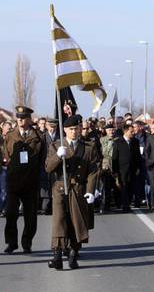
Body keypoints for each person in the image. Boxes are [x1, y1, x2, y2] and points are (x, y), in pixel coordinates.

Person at [46, 115, 99, 270]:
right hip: (60, 187)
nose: (74, 132)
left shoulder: (89, 146)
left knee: (76, 222)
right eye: (71, 129)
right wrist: (57, 156)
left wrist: (90, 190)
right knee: (59, 221)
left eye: (77, 128)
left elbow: (93, 170)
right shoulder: (56, 146)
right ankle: (57, 255)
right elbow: (48, 168)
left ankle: (73, 253)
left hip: (78, 188)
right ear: (64, 130)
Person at [3, 106, 45, 254]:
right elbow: (7, 156)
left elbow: (42, 158)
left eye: (23, 117)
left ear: (29, 119)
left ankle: (27, 242)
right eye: (18, 117)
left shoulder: (38, 136)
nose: (20, 120)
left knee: (30, 215)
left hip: (30, 181)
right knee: (11, 213)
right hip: (14, 181)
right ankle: (11, 243)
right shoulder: (10, 135)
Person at [112, 124, 143, 212]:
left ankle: (128, 202)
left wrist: (138, 167)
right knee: (124, 187)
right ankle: (125, 206)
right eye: (131, 131)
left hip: (133, 169)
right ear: (125, 131)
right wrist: (115, 171)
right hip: (122, 169)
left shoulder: (135, 141)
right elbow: (114, 157)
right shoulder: (118, 142)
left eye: (133, 131)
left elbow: (138, 156)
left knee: (131, 187)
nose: (133, 133)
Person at [39, 118, 60, 215]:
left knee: (55, 185)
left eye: (54, 127)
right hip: (45, 165)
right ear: (47, 126)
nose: (52, 129)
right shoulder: (43, 137)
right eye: (50, 127)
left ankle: (55, 205)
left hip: (57, 166)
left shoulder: (60, 137)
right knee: (46, 186)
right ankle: (46, 205)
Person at [100, 124, 117, 213]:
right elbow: (104, 152)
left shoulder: (118, 139)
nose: (111, 132)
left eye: (112, 130)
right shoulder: (102, 140)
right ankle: (105, 206)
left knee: (116, 186)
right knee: (105, 187)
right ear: (106, 131)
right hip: (105, 166)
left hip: (115, 165)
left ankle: (118, 204)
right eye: (109, 130)